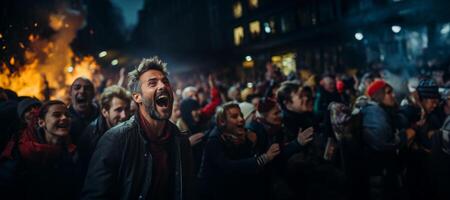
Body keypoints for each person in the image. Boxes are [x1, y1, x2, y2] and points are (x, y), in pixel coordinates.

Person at [82, 57, 193, 200]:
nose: (163, 86)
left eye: (165, 81)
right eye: (152, 83)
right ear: (137, 97)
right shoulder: (116, 139)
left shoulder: (180, 140)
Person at [1, 100, 82, 200]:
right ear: (41, 122)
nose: (64, 118)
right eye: (57, 115)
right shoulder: (21, 153)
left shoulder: (72, 151)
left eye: (67, 115)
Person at [198, 102, 280, 200]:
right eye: (234, 116)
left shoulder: (241, 136)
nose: (241, 119)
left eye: (241, 115)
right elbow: (228, 167)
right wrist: (264, 158)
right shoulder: (214, 140)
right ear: (222, 122)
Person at [361, 80, 404, 200]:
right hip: (378, 170)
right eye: (389, 93)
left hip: (382, 169)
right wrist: (402, 137)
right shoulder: (374, 113)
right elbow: (383, 142)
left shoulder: (379, 111)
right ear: (379, 95)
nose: (393, 95)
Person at [78, 85, 131, 173]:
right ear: (105, 112)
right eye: (118, 110)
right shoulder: (91, 136)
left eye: (126, 109)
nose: (124, 115)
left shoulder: (131, 129)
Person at [68, 77, 99, 145]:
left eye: (87, 88)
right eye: (77, 88)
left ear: (93, 94)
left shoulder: (103, 117)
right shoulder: (64, 118)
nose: (82, 91)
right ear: (70, 93)